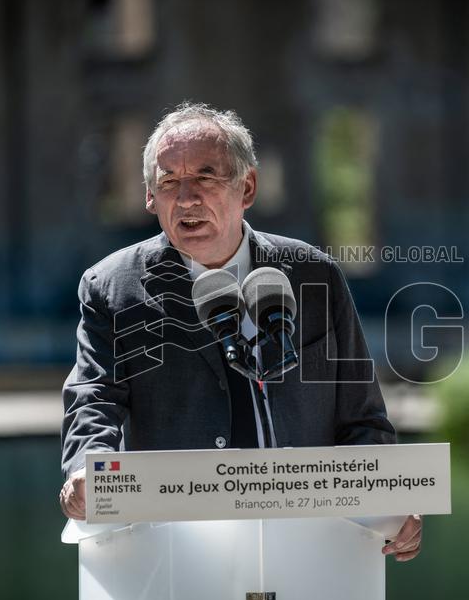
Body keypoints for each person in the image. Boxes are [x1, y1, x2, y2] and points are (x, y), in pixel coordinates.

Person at [58, 102, 421, 562]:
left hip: (309, 550)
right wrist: (84, 470)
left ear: (246, 186)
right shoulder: (111, 287)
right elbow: (93, 399)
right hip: (177, 552)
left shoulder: (315, 276)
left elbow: (362, 418)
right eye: (168, 181)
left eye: (205, 178)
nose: (186, 198)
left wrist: (387, 505)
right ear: (150, 197)